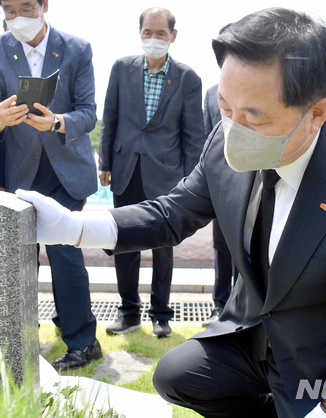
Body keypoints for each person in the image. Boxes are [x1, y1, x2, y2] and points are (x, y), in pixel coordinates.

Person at [16, 8, 326, 417]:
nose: (233, 128)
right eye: (225, 107)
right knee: (175, 376)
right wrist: (74, 227)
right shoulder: (224, 138)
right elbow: (170, 215)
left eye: (254, 116)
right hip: (253, 338)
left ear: (317, 114)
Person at [0, 0, 100, 371]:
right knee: (19, 259)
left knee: (64, 252)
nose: (19, 17)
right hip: (20, 172)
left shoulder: (77, 48)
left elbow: (89, 112)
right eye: (10, 9)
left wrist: (57, 122)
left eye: (27, 7)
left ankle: (82, 341)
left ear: (44, 5)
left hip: (65, 170)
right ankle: (19, 338)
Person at [98, 7, 204, 338]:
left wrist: (190, 183)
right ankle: (128, 312)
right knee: (123, 243)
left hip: (166, 177)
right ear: (139, 33)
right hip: (126, 169)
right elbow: (109, 118)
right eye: (148, 32)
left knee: (163, 248)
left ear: (173, 36)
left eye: (161, 33)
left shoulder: (188, 78)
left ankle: (161, 314)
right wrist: (105, 162)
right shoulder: (121, 68)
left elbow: (193, 136)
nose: (154, 39)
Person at [202, 82, 236, 327]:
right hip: (222, 180)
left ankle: (242, 305)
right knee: (221, 246)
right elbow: (208, 139)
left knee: (246, 248)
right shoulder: (212, 94)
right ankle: (219, 305)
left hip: (256, 180)